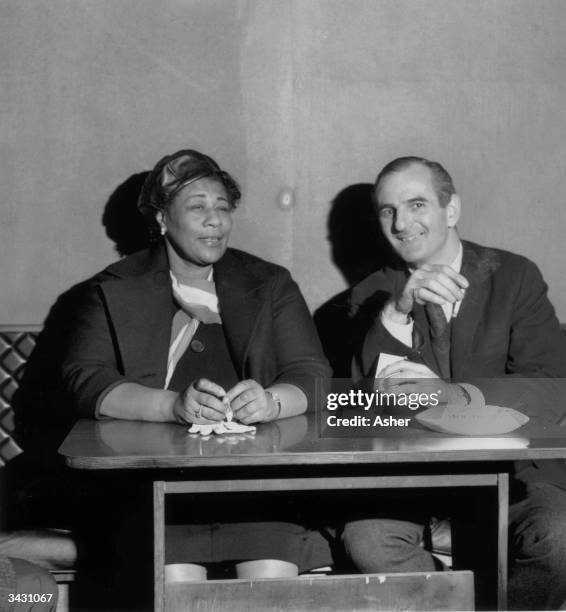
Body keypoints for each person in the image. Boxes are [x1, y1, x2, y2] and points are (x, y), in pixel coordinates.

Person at [59, 149, 332, 582]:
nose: (215, 220)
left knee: (271, 582)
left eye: (223, 208)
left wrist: (272, 403)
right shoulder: (113, 286)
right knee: (174, 585)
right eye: (198, 207)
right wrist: (172, 407)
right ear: (163, 219)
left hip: (257, 491)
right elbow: (86, 381)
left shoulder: (269, 282)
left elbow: (313, 375)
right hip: (154, 491)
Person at [343, 156, 566, 610]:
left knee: (557, 536)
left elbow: (549, 388)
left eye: (417, 204)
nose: (401, 223)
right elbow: (358, 405)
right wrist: (396, 312)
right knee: (367, 540)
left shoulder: (515, 276)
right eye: (388, 210)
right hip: (414, 480)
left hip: (515, 475)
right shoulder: (371, 295)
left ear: (452, 210)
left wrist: (455, 399)